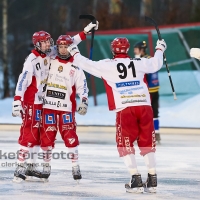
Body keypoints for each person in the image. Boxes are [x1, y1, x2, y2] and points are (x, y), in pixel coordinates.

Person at [67, 37, 167, 193]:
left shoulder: (107, 65)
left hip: (125, 108)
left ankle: (135, 179)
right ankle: (152, 179)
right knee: (147, 142)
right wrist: (160, 48)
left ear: (113, 50)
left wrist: (73, 50)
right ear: (127, 49)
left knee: (124, 144)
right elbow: (156, 64)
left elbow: (85, 63)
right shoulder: (138, 62)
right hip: (144, 105)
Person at [12, 22, 98, 182]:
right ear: (37, 44)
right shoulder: (31, 60)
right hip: (31, 102)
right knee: (29, 133)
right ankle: (19, 168)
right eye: (44, 42)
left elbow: (70, 41)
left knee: (38, 135)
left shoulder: (50, 53)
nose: (47, 44)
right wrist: (17, 99)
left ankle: (30, 167)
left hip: (43, 102)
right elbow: (22, 80)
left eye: (48, 41)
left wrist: (85, 31)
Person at [39, 34, 89, 182]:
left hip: (66, 107)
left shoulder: (76, 66)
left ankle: (75, 166)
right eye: (60, 46)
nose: (62, 49)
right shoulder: (51, 58)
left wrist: (84, 101)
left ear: (70, 47)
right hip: (48, 106)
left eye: (66, 46)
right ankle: (46, 166)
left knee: (70, 137)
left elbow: (82, 87)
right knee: (47, 137)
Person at [134, 41, 161, 142]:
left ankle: (145, 134)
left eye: (136, 49)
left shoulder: (142, 61)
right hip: (155, 89)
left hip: (147, 91)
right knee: (154, 112)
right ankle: (156, 133)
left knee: (144, 113)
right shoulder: (151, 59)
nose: (134, 51)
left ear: (141, 49)